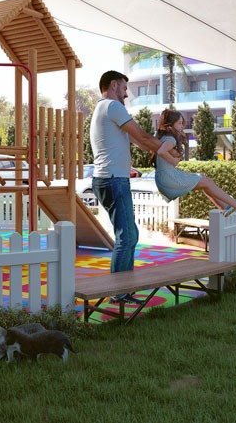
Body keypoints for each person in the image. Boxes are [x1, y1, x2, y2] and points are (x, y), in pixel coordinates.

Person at [90, 71, 162, 304]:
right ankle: (119, 293)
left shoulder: (104, 109)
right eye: (124, 88)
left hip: (111, 179)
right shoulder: (112, 106)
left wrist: (159, 148)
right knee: (126, 236)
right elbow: (143, 136)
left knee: (130, 235)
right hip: (113, 180)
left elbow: (140, 142)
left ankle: (124, 290)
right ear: (113, 85)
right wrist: (168, 150)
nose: (127, 94)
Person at [154, 109, 236, 215]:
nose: (182, 126)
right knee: (206, 181)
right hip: (169, 178)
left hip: (164, 178)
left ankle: (225, 206)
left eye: (182, 123)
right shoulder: (171, 139)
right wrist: (173, 160)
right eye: (179, 123)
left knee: (204, 181)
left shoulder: (164, 138)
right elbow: (161, 151)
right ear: (170, 125)